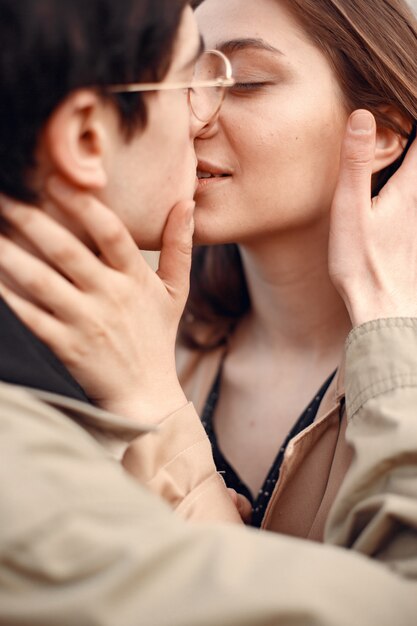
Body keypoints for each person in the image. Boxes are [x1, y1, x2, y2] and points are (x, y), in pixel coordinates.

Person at [0, 0, 417, 624]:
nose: (194, 114)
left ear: (380, 132)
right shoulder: (118, 353)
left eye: (242, 82)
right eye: (189, 76)